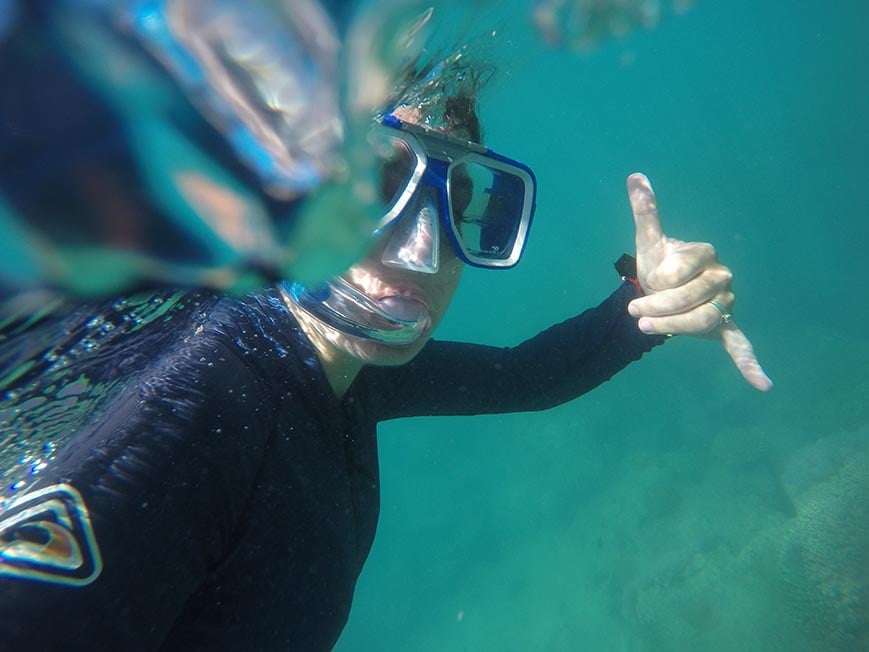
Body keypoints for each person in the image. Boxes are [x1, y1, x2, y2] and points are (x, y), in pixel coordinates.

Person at [0, 59, 771, 651]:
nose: (424, 250)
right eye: (373, 193)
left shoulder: (340, 369)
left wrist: (644, 306)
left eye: (461, 206)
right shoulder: (195, 402)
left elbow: (525, 376)